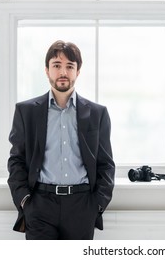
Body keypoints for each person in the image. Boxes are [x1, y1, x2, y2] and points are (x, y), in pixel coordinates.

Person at [7, 40, 115, 240]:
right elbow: (16, 160)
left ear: (77, 71)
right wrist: (25, 201)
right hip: (40, 205)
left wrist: (97, 204)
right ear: (47, 70)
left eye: (69, 66)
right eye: (56, 65)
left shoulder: (97, 114)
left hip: (82, 206)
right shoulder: (26, 111)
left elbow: (106, 164)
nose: (63, 72)